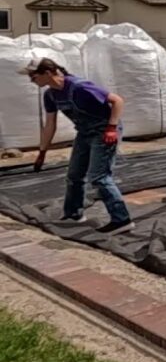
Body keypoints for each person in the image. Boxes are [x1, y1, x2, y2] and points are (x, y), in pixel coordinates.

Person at [21, 58, 134, 234]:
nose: (31, 80)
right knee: (74, 175)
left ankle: (122, 220)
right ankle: (74, 214)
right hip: (84, 132)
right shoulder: (50, 95)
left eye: (33, 76)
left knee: (99, 177)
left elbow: (117, 101)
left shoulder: (80, 87)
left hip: (104, 130)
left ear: (48, 73)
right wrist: (42, 151)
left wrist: (111, 128)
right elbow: (50, 124)